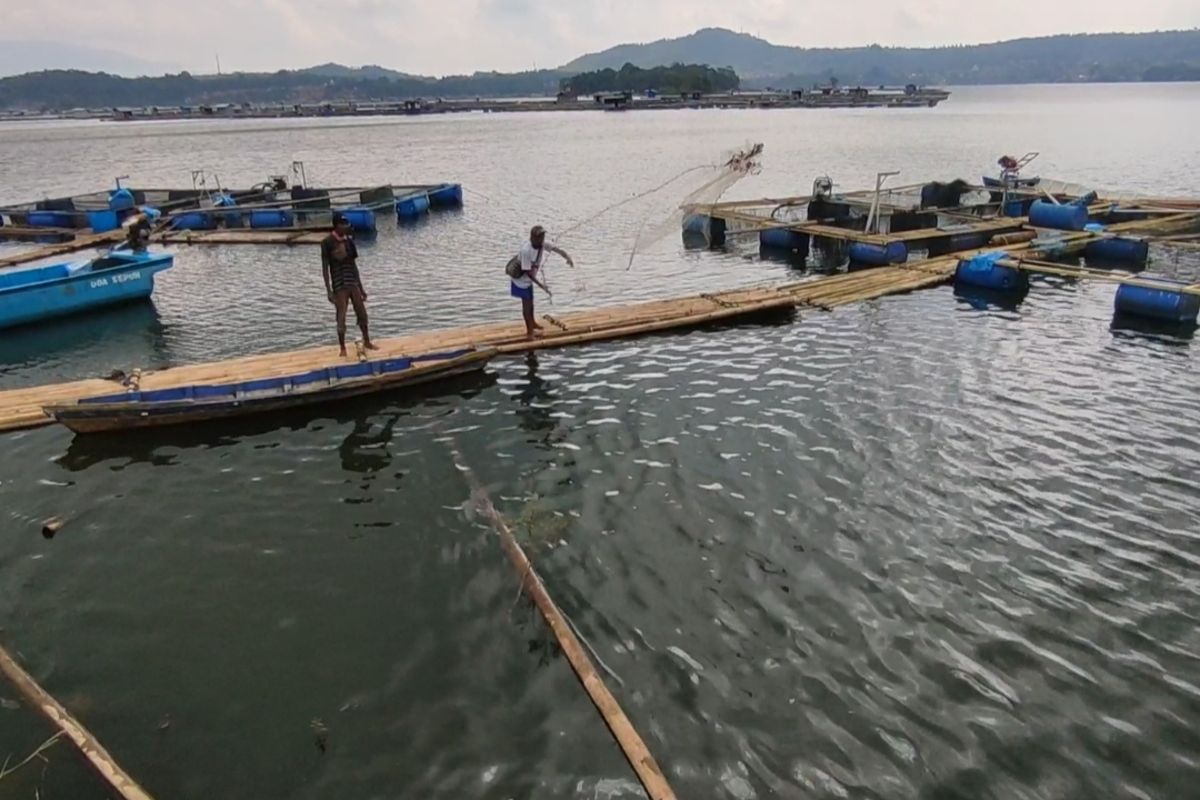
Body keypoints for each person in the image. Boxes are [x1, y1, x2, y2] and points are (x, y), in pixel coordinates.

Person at [321, 212, 376, 356]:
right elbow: (325, 268)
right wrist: (328, 290)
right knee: (341, 316)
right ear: (336, 225)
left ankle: (367, 341)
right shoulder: (327, 243)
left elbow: (354, 266)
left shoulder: (349, 242)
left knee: (362, 314)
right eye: (343, 224)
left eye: (346, 224)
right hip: (339, 285)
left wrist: (361, 288)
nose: (345, 227)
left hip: (352, 282)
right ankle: (342, 348)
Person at [510, 225, 573, 338]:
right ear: (533, 238)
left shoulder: (542, 244)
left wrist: (567, 257)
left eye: (543, 236)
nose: (542, 239)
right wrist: (542, 286)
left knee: (531, 303)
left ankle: (533, 323)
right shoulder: (526, 250)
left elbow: (556, 249)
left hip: (529, 280)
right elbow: (527, 272)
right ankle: (529, 332)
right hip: (521, 280)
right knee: (526, 306)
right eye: (540, 237)